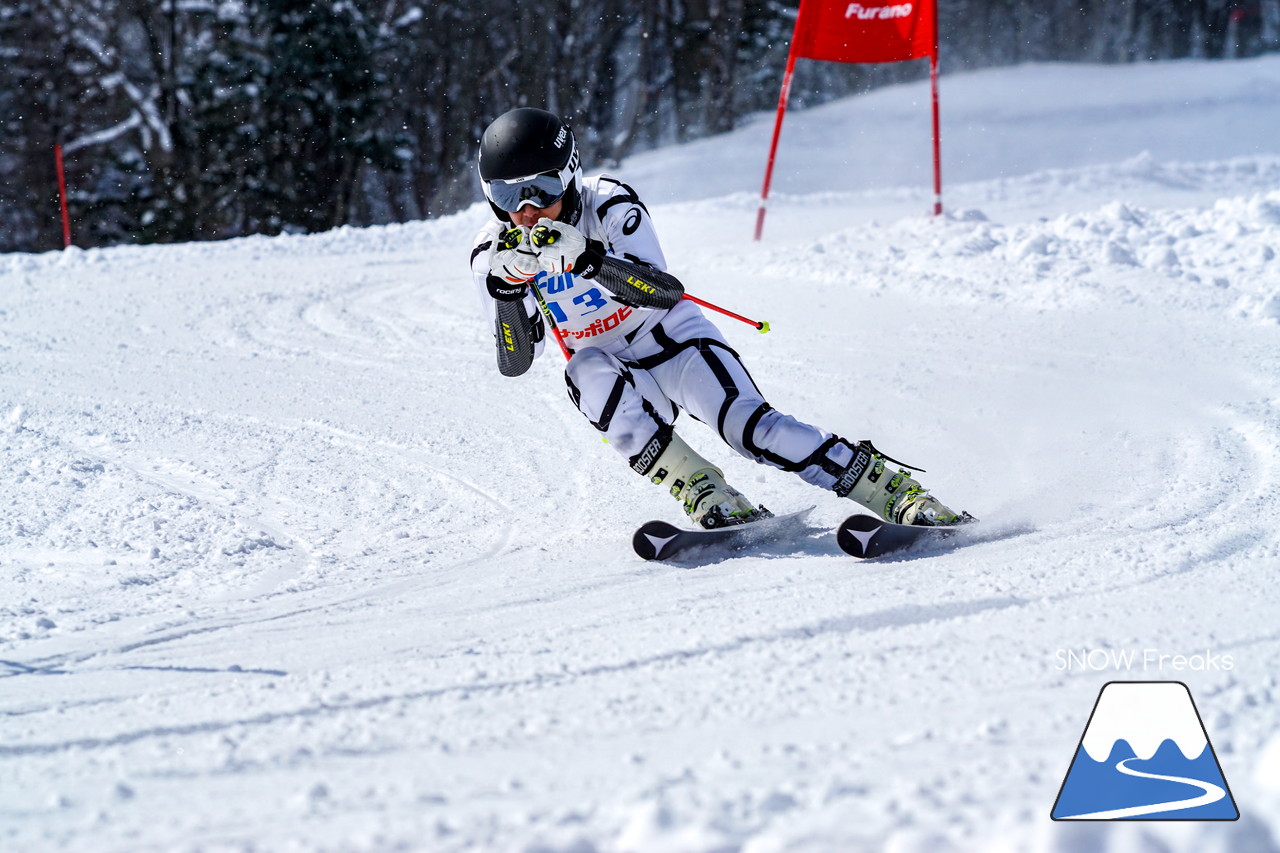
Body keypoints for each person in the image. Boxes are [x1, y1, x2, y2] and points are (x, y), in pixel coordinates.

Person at [469, 107, 970, 530]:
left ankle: (893, 493)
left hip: (668, 340)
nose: (529, 210)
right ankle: (707, 492)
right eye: (509, 197)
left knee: (750, 428)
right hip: (611, 368)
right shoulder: (492, 251)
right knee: (584, 372)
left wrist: (590, 260)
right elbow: (515, 363)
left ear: (571, 173)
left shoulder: (609, 203)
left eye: (541, 188)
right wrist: (506, 290)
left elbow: (663, 292)